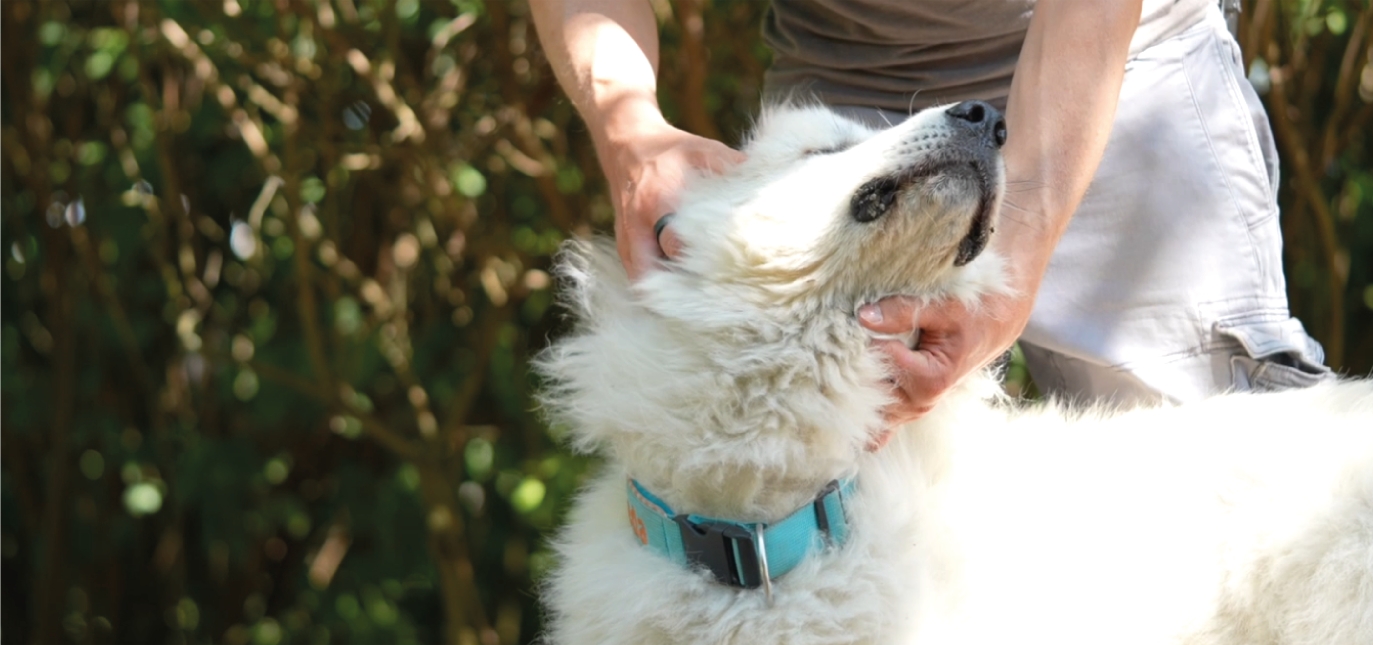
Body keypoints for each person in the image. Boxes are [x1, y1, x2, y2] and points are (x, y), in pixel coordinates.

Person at [530, 0, 1330, 426]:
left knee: (1209, 493)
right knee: (844, 513)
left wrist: (1009, 262)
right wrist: (629, 130)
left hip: (1123, 64)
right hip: (844, 99)